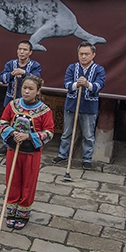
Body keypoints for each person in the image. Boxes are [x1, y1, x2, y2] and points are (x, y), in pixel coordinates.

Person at [0, 75, 54, 230]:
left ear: (38, 91)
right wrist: (12, 132)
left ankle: (23, 212)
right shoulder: (13, 105)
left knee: (28, 183)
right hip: (13, 149)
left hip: (31, 153)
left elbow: (49, 132)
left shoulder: (44, 111)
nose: (26, 91)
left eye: (30, 89)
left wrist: (29, 136)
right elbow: (3, 122)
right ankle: (11, 209)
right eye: (24, 88)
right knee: (12, 180)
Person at [52, 42, 106, 170]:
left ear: (93, 55)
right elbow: (66, 84)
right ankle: (62, 154)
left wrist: (87, 84)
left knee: (88, 135)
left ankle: (86, 159)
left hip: (89, 107)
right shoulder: (72, 68)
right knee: (67, 133)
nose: (83, 57)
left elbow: (99, 85)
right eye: (81, 54)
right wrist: (77, 84)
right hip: (71, 105)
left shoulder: (99, 69)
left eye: (87, 54)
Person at [0, 40, 42, 155]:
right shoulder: (10, 64)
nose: (21, 52)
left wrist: (24, 74)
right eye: (20, 49)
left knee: (23, 122)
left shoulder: (35, 65)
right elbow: (2, 78)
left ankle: (23, 142)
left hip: (26, 101)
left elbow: (37, 80)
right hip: (11, 99)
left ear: (30, 52)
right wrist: (11, 74)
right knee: (9, 122)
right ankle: (7, 143)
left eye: (25, 50)